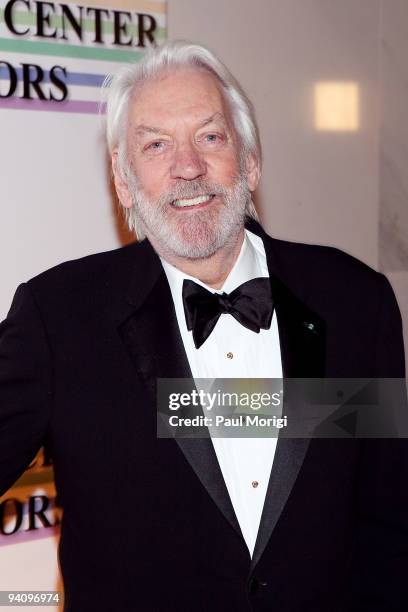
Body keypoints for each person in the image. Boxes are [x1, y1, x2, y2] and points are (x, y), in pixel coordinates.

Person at [0, 40, 407, 612]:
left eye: (209, 137)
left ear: (250, 161)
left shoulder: (355, 301)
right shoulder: (59, 317)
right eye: (156, 145)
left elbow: (389, 516)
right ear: (123, 181)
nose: (187, 167)